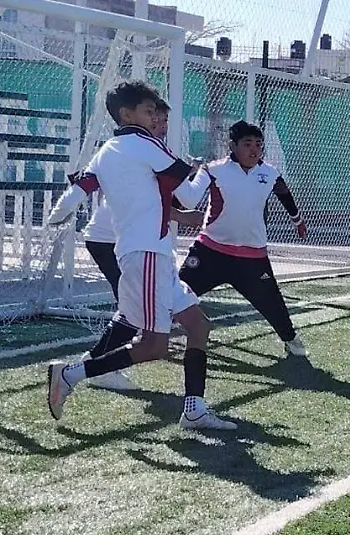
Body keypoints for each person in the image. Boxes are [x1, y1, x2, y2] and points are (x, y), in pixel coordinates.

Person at [44, 81, 235, 430]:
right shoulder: (145, 144)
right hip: (146, 255)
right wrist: (208, 172)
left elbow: (77, 192)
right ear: (126, 114)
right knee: (153, 346)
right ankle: (71, 374)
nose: (156, 118)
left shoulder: (108, 150)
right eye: (150, 112)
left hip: (150, 256)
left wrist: (57, 215)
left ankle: (194, 409)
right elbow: (190, 198)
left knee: (198, 325)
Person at [63, 99, 176, 391]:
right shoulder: (133, 151)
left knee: (136, 315)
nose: (160, 125)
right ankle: (92, 368)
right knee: (130, 317)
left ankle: (94, 366)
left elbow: (161, 203)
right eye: (154, 118)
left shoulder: (150, 152)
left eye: (163, 121)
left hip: (141, 246)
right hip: (112, 241)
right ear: (133, 117)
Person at [172, 120, 308, 357]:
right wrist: (171, 201)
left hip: (252, 258)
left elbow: (285, 194)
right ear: (232, 146)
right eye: (247, 144)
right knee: (175, 292)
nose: (254, 149)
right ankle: (149, 331)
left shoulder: (270, 173)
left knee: (273, 304)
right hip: (210, 252)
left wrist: (297, 220)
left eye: (258, 144)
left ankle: (290, 339)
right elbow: (188, 198)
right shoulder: (213, 169)